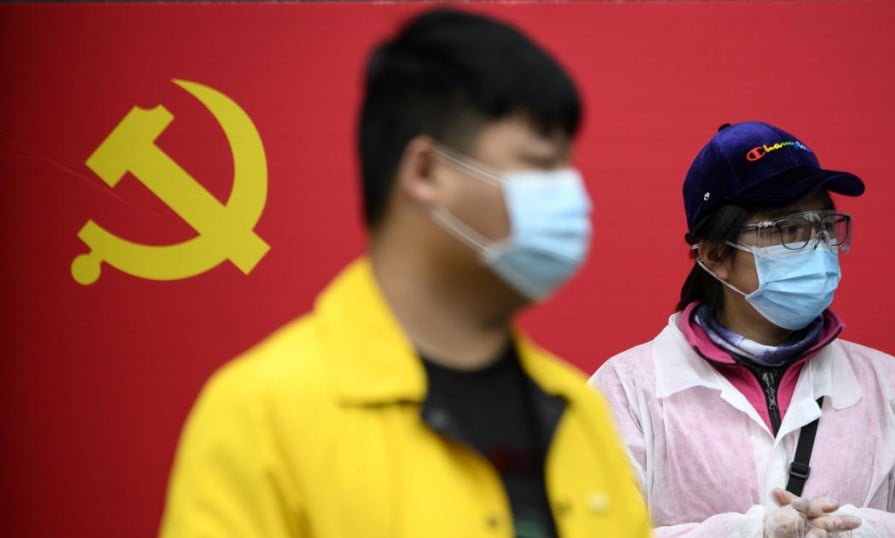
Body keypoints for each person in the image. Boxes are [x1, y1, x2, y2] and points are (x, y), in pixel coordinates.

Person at [159, 8, 649, 538]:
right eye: (539, 166)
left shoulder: (580, 413)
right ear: (426, 172)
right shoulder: (262, 414)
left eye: (567, 168)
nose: (572, 200)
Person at [590, 121, 895, 537]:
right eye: (789, 230)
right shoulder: (627, 391)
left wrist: (865, 532)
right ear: (715, 255)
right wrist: (747, 534)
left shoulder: (889, 386)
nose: (818, 248)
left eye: (823, 227)